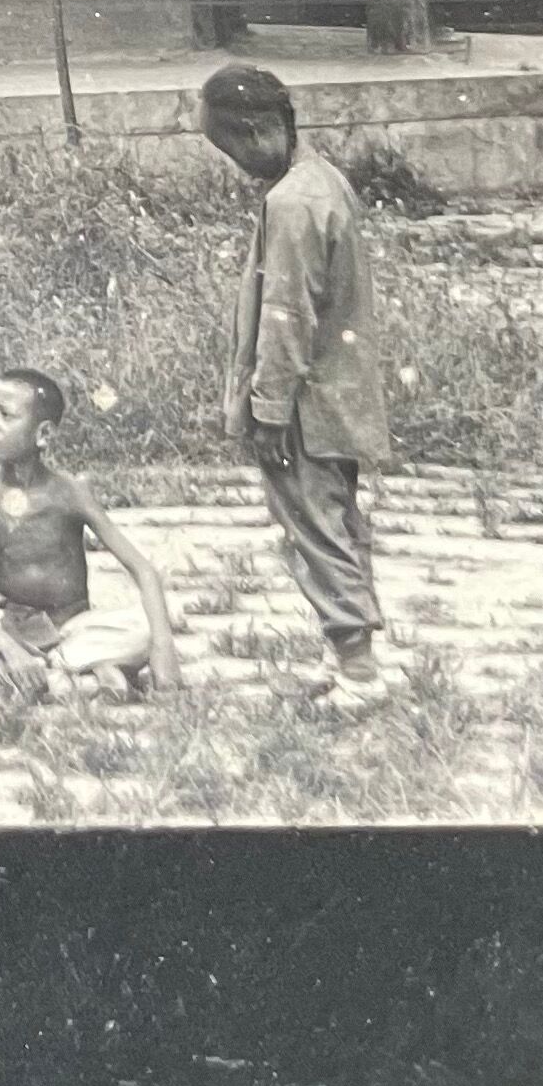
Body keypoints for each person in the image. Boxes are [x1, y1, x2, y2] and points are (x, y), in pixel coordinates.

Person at [200, 61, 395, 708]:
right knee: (332, 521)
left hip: (305, 405)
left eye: (235, 153)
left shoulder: (290, 202)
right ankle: (343, 659)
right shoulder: (323, 180)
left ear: (258, 131)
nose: (240, 167)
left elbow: (287, 313)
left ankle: (360, 673)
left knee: (316, 530)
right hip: (340, 393)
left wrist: (269, 408)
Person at [0, 370, 180, 700]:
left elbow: (143, 570)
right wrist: (8, 645)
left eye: (5, 415)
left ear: (43, 434)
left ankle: (22, 677)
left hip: (71, 630)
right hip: (9, 626)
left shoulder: (68, 492)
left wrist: (164, 651)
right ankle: (53, 677)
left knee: (148, 627)